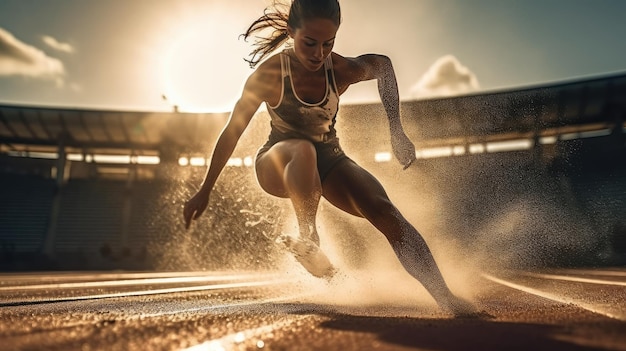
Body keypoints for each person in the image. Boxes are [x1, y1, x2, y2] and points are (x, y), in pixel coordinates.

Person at [183, 0, 474, 315]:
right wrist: (205, 188)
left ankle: (446, 297)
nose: (318, 53)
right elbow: (231, 132)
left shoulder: (340, 69)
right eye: (309, 43)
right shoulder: (268, 75)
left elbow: (384, 66)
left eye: (328, 44)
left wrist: (397, 130)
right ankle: (308, 234)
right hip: (277, 164)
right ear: (292, 32)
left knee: (385, 211)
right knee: (302, 149)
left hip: (329, 159)